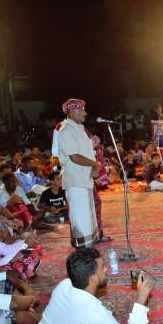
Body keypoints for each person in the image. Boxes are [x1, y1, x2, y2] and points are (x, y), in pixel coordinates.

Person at [57, 99, 100, 248]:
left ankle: (88, 247)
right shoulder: (66, 131)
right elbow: (74, 157)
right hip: (75, 182)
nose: (85, 113)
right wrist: (95, 164)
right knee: (80, 217)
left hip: (84, 179)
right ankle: (83, 250)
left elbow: (85, 152)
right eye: (82, 110)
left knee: (87, 216)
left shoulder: (79, 129)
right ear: (72, 112)